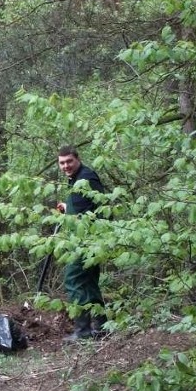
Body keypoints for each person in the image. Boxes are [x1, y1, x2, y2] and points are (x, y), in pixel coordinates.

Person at [56, 146, 107, 341]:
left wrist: (69, 212)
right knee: (90, 282)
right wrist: (68, 207)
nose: (66, 166)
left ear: (77, 159)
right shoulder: (80, 177)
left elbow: (81, 217)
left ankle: (83, 331)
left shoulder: (85, 178)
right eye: (62, 163)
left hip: (85, 241)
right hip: (93, 240)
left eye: (69, 161)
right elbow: (87, 208)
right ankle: (102, 327)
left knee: (74, 280)